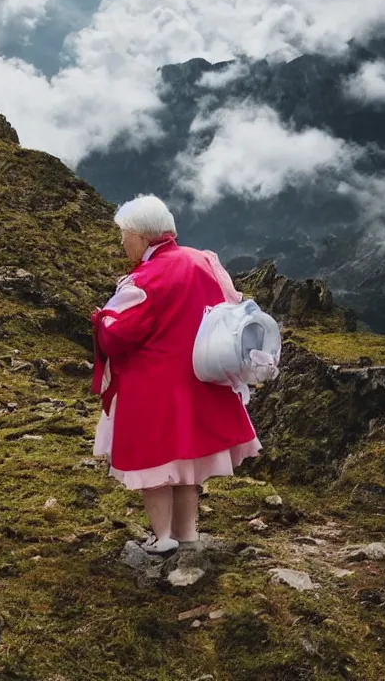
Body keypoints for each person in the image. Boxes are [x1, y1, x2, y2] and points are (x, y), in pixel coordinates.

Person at [90, 195, 261, 554]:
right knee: (187, 465)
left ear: (142, 235)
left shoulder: (143, 279)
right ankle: (187, 534)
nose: (122, 241)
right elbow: (231, 306)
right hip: (200, 378)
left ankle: (162, 538)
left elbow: (117, 337)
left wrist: (101, 319)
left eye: (125, 234)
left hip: (152, 387)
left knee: (153, 466)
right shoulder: (205, 261)